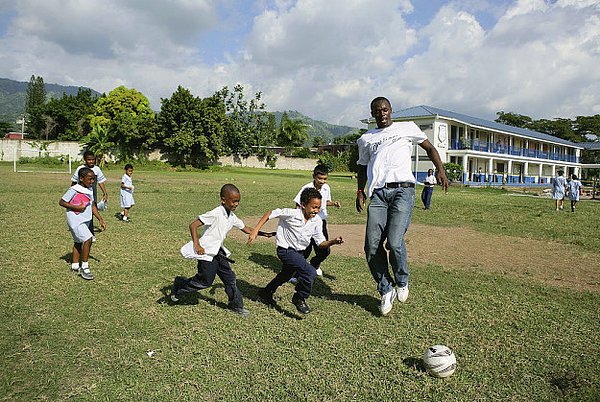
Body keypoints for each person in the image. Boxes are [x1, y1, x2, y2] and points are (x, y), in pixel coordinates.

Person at [356, 97, 448, 316]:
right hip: (378, 194)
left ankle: (402, 280)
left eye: (385, 109)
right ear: (372, 113)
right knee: (371, 247)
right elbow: (361, 166)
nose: (382, 113)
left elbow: (430, 148)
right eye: (377, 111)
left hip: (403, 191)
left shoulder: (407, 128)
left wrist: (441, 170)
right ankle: (385, 289)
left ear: (391, 110)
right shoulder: (366, 138)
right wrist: (360, 190)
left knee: (395, 241)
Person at [169, 184, 273, 316]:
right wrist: (197, 245)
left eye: (238, 201)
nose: (236, 204)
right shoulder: (216, 213)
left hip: (219, 252)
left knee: (230, 278)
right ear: (223, 200)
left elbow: (246, 228)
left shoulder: (231, 216)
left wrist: (263, 233)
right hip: (207, 252)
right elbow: (193, 225)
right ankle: (180, 285)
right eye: (234, 201)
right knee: (205, 281)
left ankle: (236, 305)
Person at [249, 188, 344, 314]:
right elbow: (271, 213)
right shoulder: (292, 214)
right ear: (303, 205)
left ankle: (265, 293)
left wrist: (332, 242)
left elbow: (320, 243)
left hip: (299, 253)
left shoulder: (317, 221)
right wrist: (256, 230)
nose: (316, 210)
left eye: (318, 207)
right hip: (286, 250)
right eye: (314, 207)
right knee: (310, 271)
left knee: (286, 275)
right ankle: (299, 298)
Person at [292, 164, 341, 277]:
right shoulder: (307, 188)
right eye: (319, 178)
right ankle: (295, 274)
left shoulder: (326, 188)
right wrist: (300, 221)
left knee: (324, 250)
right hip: (308, 222)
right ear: (314, 176)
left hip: (320, 222)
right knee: (305, 249)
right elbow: (298, 204)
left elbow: (325, 202)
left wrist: (333, 203)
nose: (322, 181)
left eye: (325, 179)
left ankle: (314, 264)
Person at [59, 167, 106, 280]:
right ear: (81, 178)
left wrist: (100, 219)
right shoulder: (74, 189)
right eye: (89, 179)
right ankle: (85, 267)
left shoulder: (89, 190)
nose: (92, 182)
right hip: (75, 220)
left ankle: (75, 266)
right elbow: (61, 202)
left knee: (78, 242)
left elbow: (92, 205)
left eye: (93, 179)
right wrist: (76, 207)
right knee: (88, 239)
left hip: (84, 220)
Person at [71, 151, 108, 240]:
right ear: (85, 160)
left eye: (93, 160)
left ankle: (91, 234)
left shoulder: (97, 169)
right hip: (81, 195)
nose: (91, 161)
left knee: (91, 213)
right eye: (89, 160)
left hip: (92, 194)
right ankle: (80, 231)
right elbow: (73, 182)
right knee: (82, 212)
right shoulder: (80, 169)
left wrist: (105, 192)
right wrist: (72, 194)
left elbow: (100, 181)